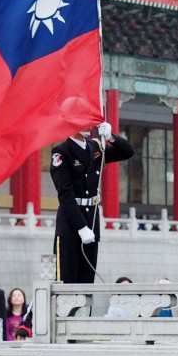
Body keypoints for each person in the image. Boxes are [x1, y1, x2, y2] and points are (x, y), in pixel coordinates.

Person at [50, 121, 134, 284]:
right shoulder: (61, 152)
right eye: (84, 121)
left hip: (92, 220)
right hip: (71, 224)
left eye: (91, 122)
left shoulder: (95, 147)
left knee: (87, 280)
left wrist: (111, 137)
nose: (89, 126)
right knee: (67, 280)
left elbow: (127, 152)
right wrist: (81, 227)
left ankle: (84, 311)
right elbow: (65, 195)